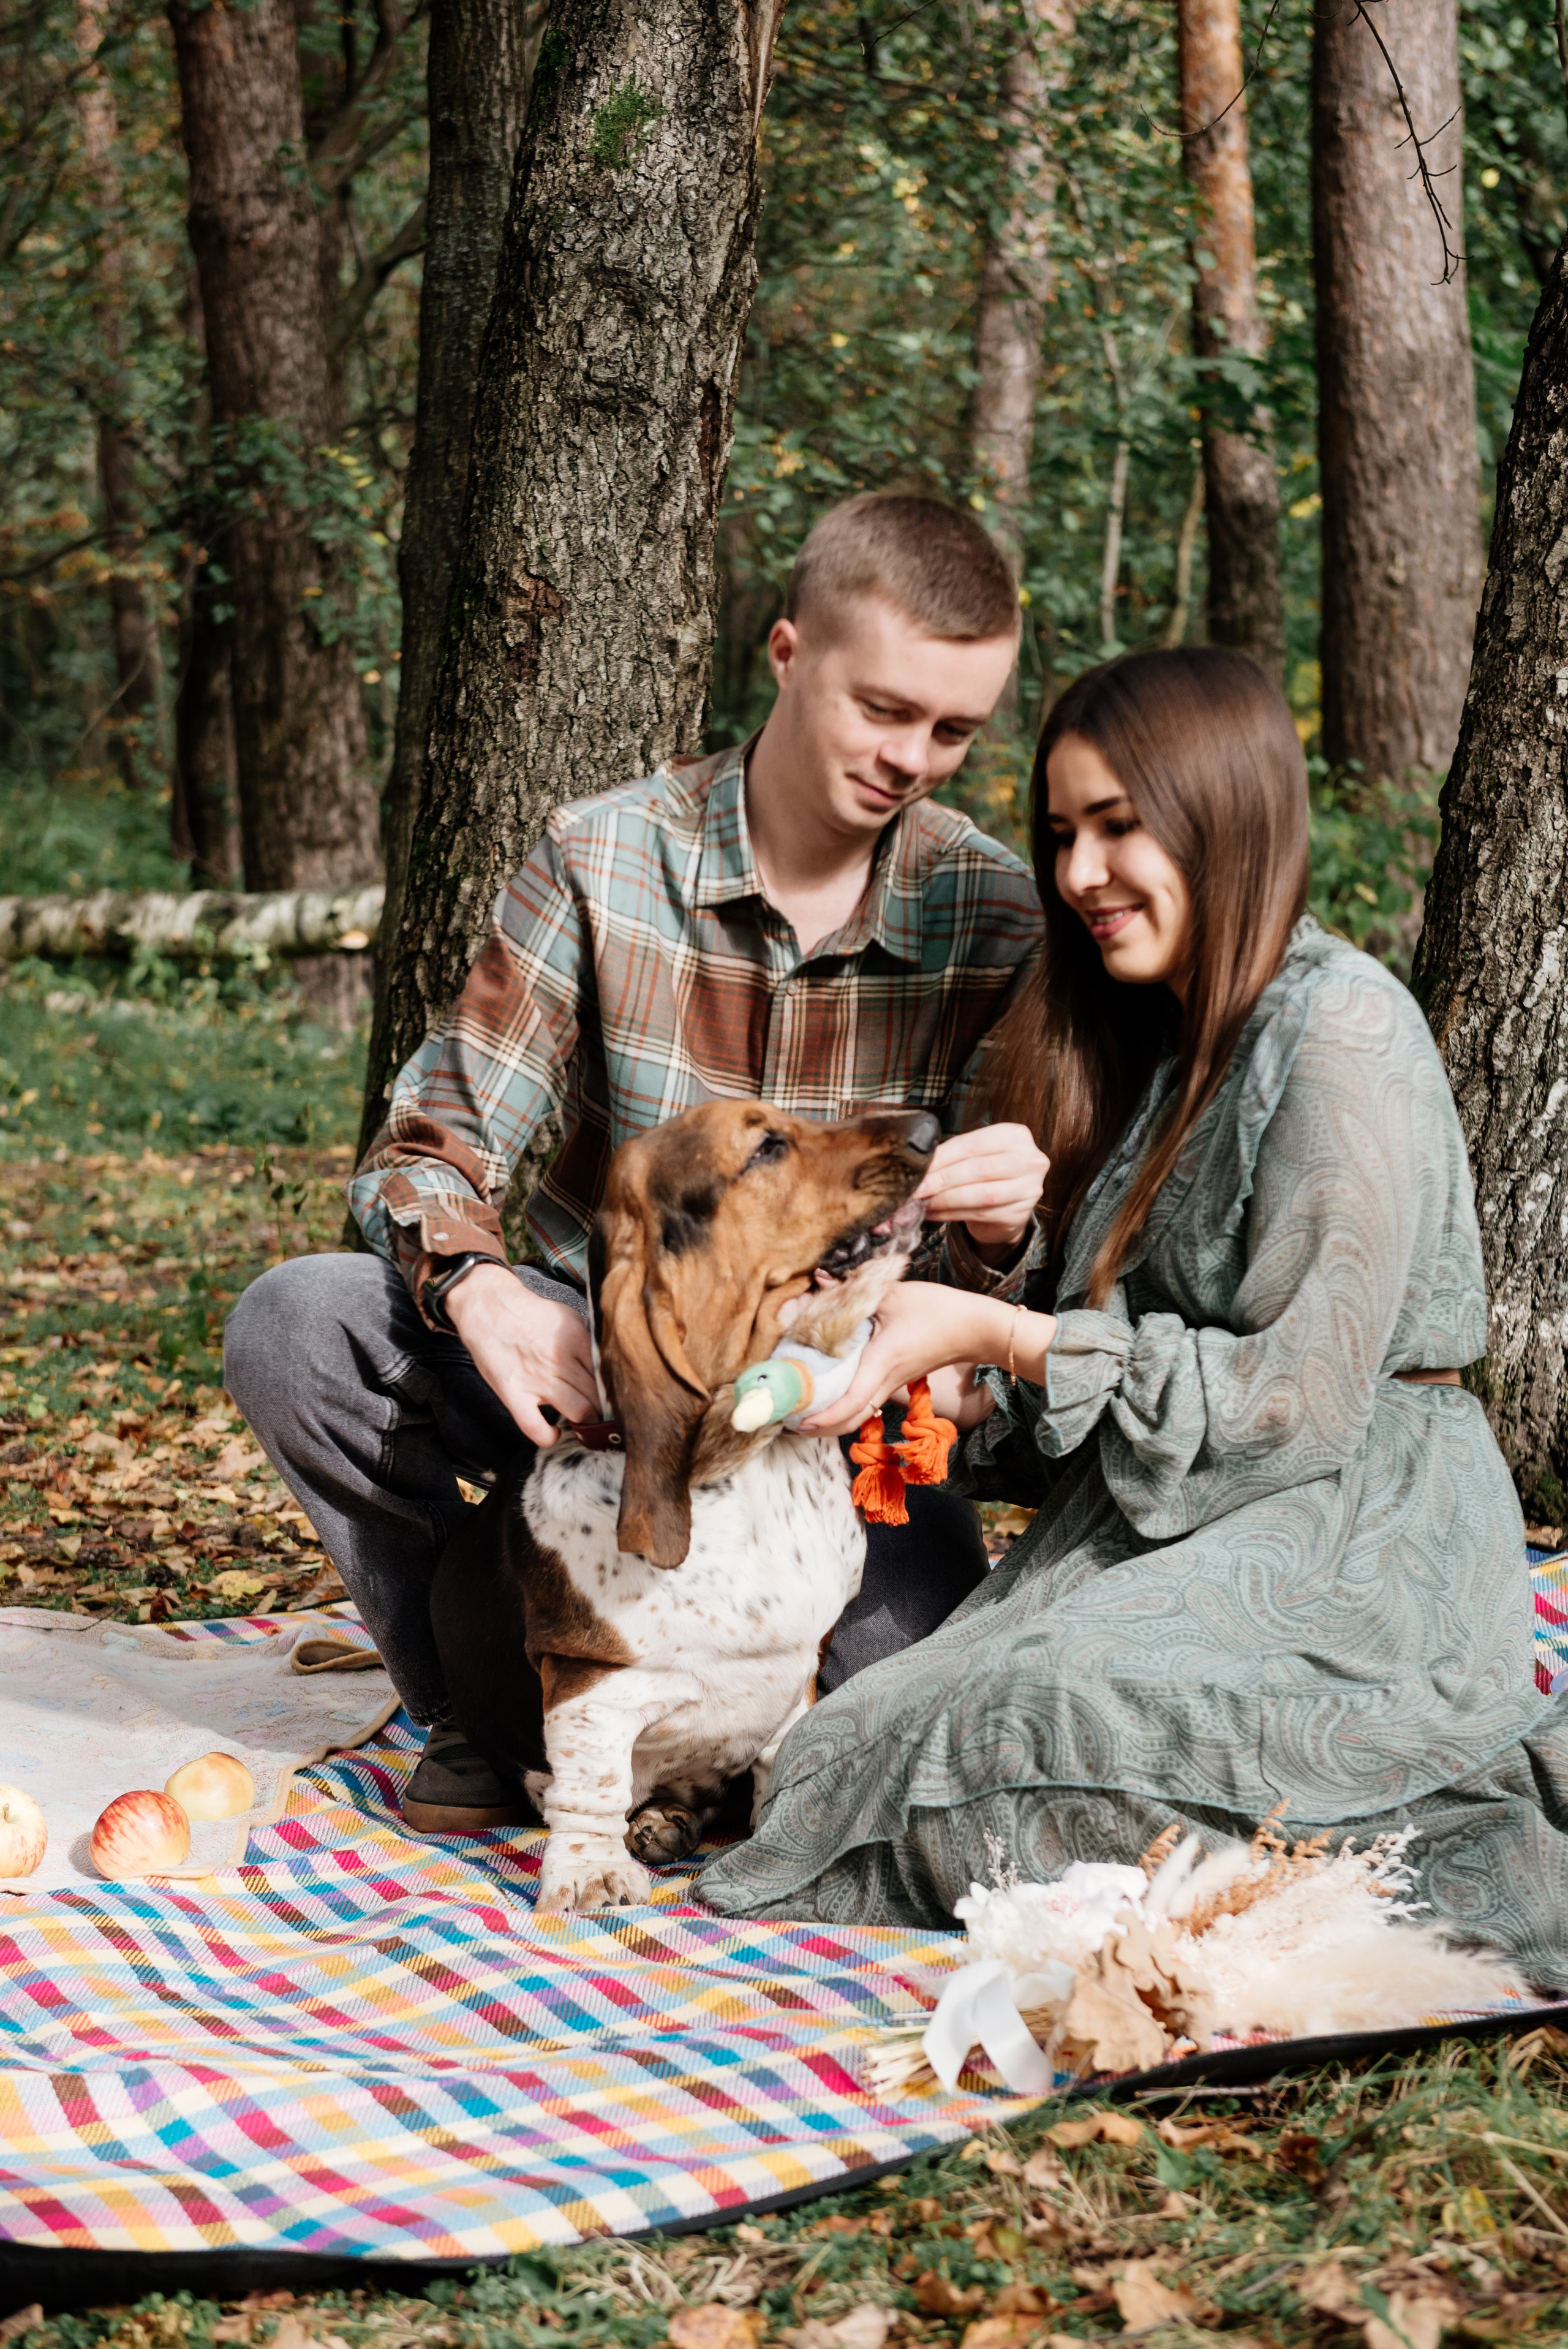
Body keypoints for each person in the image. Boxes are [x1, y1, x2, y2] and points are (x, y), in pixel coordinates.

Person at [701, 644, 1568, 1992]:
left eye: (1117, 826)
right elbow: (1119, 1372)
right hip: (1166, 1533)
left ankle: (1391, 1872)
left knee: (1026, 1727)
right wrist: (953, 1384)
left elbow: (1294, 1403)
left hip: (1352, 1537)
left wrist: (996, 1336)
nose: (1080, 874)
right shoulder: (1168, 1055)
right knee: (852, 1747)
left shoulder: (1340, 1026)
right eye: (1061, 835)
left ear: (1224, 814)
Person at [225, 492, 1049, 1831]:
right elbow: (429, 1144)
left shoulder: (993, 913)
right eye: (883, 710)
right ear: (788, 653)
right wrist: (484, 1294)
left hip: (825, 1422)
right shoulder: (603, 856)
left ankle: (711, 1731)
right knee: (296, 1329)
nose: (913, 758)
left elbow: (988, 1307)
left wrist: (1001, 1240)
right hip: (603, 1384)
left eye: (952, 731)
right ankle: (490, 1697)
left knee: (889, 1705)